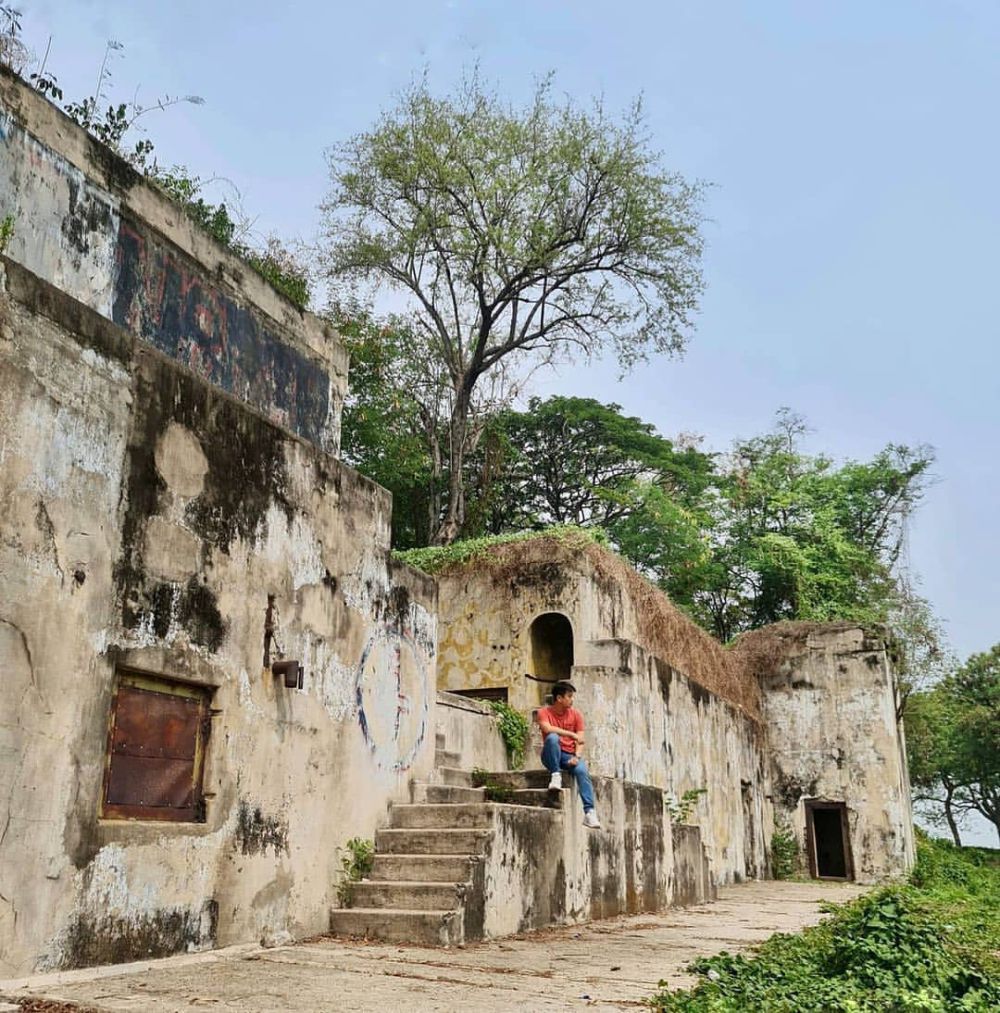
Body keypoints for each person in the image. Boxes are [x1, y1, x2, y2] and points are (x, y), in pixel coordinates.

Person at [537, 681, 601, 829]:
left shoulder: (576, 715)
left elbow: (581, 740)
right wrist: (571, 734)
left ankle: (589, 812)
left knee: (582, 770)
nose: (572, 700)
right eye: (569, 696)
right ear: (559, 698)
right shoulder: (544, 712)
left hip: (568, 756)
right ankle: (555, 775)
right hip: (551, 755)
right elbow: (547, 728)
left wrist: (576, 757)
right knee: (552, 738)